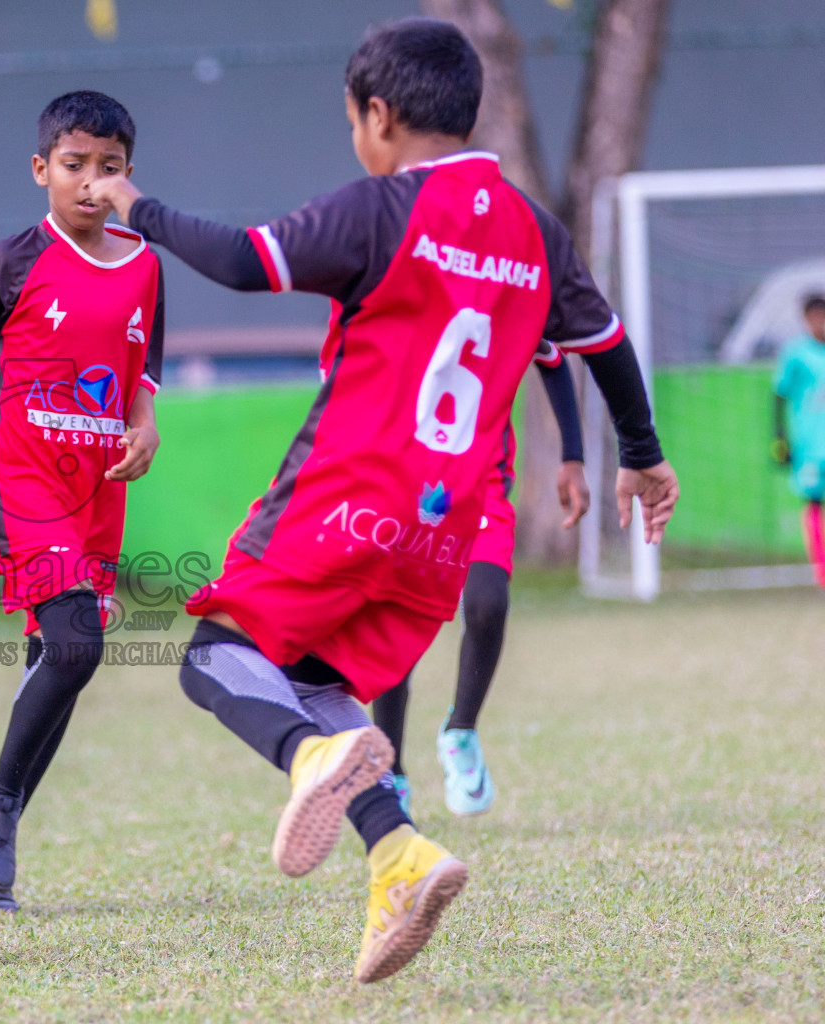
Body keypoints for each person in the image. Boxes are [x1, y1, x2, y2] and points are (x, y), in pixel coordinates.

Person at [90, 17, 678, 983]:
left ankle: (307, 758)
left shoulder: (381, 208)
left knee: (216, 659)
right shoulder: (535, 229)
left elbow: (245, 261)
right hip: (444, 533)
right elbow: (604, 344)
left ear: (377, 115)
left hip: (343, 500)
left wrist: (140, 206)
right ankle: (399, 855)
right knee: (318, 684)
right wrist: (642, 455)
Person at [0, 91, 165, 913]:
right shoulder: (8, 261)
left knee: (56, 657)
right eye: (74, 166)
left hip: (94, 486)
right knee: (79, 643)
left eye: (110, 168)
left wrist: (146, 425)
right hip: (14, 472)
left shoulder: (145, 266)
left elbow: (142, 378)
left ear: (130, 175)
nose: (92, 184)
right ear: (41, 170)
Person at [372, 341, 589, 818]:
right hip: (405, 478)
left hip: (480, 482)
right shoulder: (402, 290)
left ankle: (461, 732)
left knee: (488, 603)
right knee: (398, 621)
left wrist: (572, 455)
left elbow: (551, 357)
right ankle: (391, 770)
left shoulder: (503, 289)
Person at [773, 293, 825, 587]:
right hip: (810, 447)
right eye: (816, 317)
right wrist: (780, 439)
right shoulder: (796, 354)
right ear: (806, 320)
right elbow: (779, 396)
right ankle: (822, 571)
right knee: (814, 503)